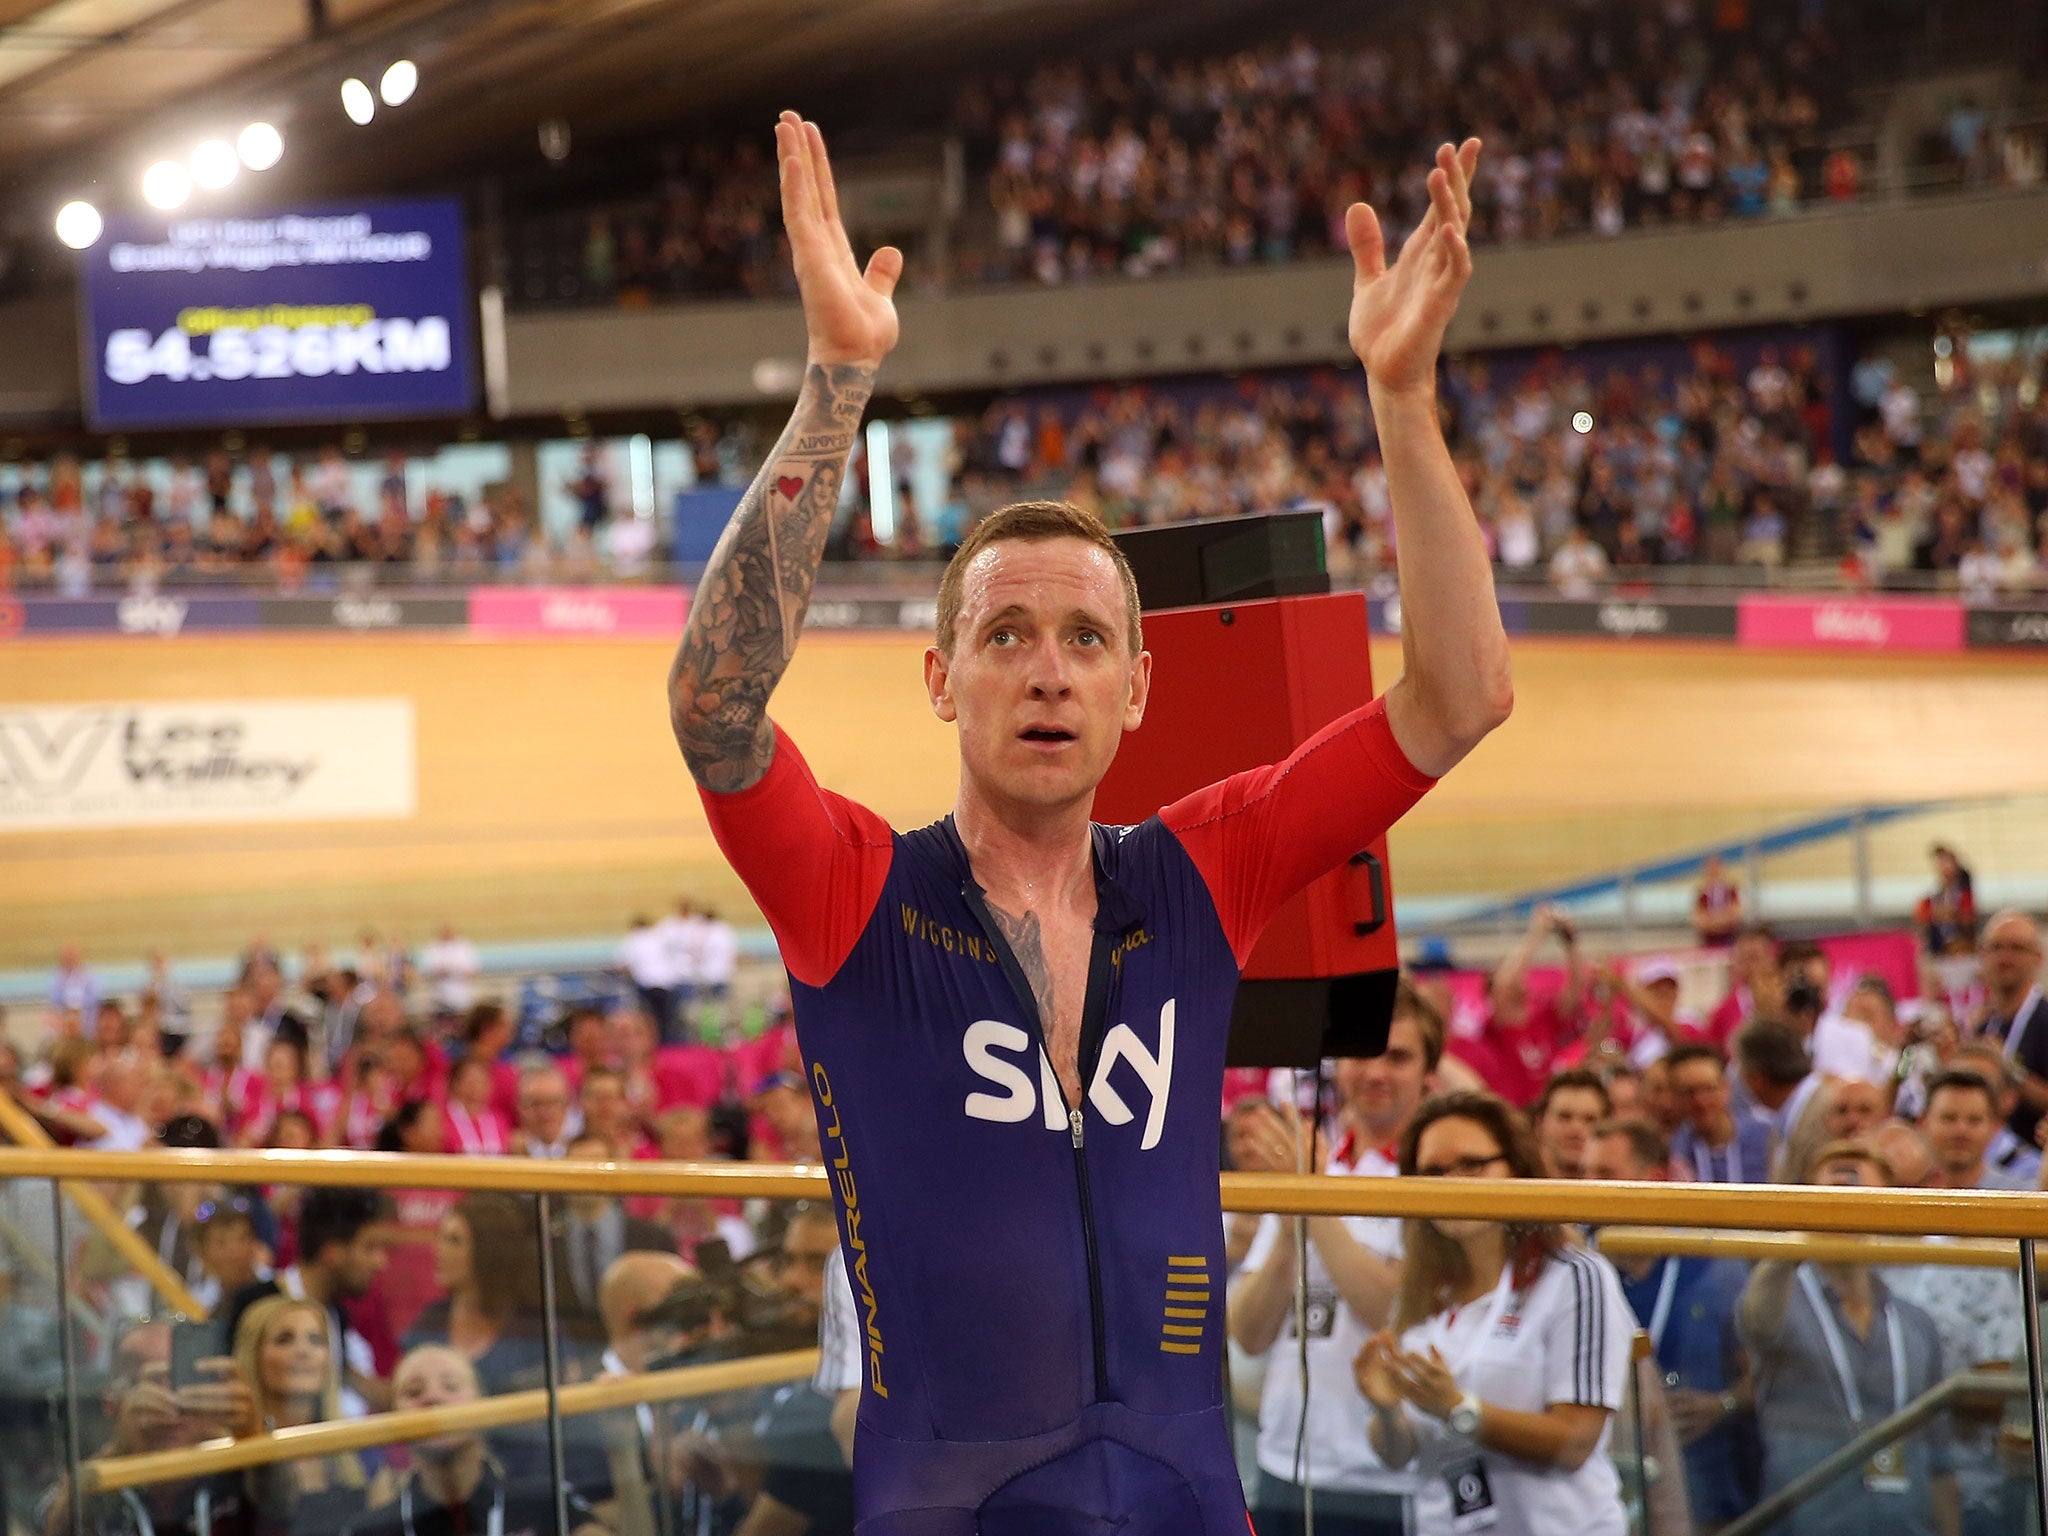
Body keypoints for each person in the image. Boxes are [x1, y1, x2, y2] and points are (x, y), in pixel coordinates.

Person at [670, 117, 1508, 1529]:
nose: (1048, 667)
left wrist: (1405, 397)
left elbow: (1462, 695)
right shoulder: (854, 894)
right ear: (941, 681)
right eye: (1004, 635)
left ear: (1136, 688)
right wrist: (838, 383)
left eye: (1082, 637)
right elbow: (713, 704)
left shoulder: (1204, 868)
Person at [1354, 1091, 1632, 1536]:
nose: (1452, 1183)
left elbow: (1576, 1440)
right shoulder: (1422, 1291)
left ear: (1517, 1169)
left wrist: (1458, 1409)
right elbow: (1399, 1453)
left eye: (1471, 1164)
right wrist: (1386, 1412)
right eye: (1433, 1172)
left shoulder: (1574, 1276)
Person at [1227, 982, 1442, 1535]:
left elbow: (1390, 1309)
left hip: (1388, 1476)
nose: (1375, 1072)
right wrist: (1299, 1209)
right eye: (1363, 1053)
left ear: (1429, 1076)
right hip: (1284, 1463)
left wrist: (1311, 1197)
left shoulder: (1440, 1183)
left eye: (1398, 1057)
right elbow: (1249, 1333)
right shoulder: (1313, 1166)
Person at [1739, 1141, 1959, 1536]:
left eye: (1860, 1195)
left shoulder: (1914, 1322)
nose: (1845, 1207)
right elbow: (1757, 1319)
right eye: (1833, 1193)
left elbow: (1939, 1458)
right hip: (1804, 1524)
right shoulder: (1784, 1298)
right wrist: (1802, 1226)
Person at [1584, 1121, 1760, 1529]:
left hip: (1708, 1489)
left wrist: (1725, 1404)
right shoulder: (1578, 1270)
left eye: (1605, 1174)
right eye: (1584, 1173)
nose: (1588, 1187)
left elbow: (1764, 1377)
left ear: (1655, 1179)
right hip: (1602, 1487)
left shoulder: (1714, 1265)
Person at [342, 1347, 602, 1536]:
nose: (433, 1398)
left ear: (484, 1407)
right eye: (414, 1392)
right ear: (394, 1419)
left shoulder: (546, 1501)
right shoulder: (369, 1530)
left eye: (451, 1386)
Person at [41, 1319, 254, 1536]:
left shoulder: (235, 1469)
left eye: (182, 1378)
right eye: (152, 1381)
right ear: (112, 1403)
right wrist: (119, 1450)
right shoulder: (100, 1480)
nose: (169, 1397)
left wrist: (250, 1433)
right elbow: (53, 1526)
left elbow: (282, 1501)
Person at [227, 1187, 393, 1415]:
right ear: (332, 1252)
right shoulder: (253, 1303)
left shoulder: (337, 1313)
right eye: (370, 1248)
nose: (380, 1262)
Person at [233, 1297, 369, 1536]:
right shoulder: (231, 1455)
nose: (303, 1351)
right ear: (254, 1355)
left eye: (316, 1340)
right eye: (284, 1339)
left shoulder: (358, 1449)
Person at [553, 1133, 679, 1333]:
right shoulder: (543, 1241)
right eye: (578, 1167)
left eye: (597, 1165)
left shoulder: (653, 1239)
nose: (588, 1175)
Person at [1976, 911, 2045, 1140]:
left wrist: (2006, 1069)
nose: (2005, 958)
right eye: (1996, 948)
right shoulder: (1983, 1028)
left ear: (2038, 957)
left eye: (2016, 948)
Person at [1667, 1043, 1775, 1184]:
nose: (1700, 1101)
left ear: (1726, 1088)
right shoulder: (1675, 1152)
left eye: (1709, 1089)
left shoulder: (1767, 1139)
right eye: (1689, 1092)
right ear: (1675, 1097)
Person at [1529, 1068, 1609, 1178]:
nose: (1575, 1129)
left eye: (1589, 1120)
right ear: (1540, 1123)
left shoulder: (1626, 1192)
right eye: (1564, 1117)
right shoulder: (1509, 1189)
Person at [513, 1064, 576, 1158]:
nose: (544, 1112)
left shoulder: (585, 1149)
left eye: (552, 1103)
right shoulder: (511, 1152)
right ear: (521, 1108)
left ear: (566, 1105)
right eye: (536, 1104)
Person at [1694, 854, 1743, 947]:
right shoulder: (1703, 894)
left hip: (1730, 938)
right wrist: (1719, 922)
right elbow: (1699, 920)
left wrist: (1716, 922)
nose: (1713, 871)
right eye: (1710, 868)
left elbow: (1736, 915)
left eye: (1716, 867)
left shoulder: (1731, 891)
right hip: (1709, 939)